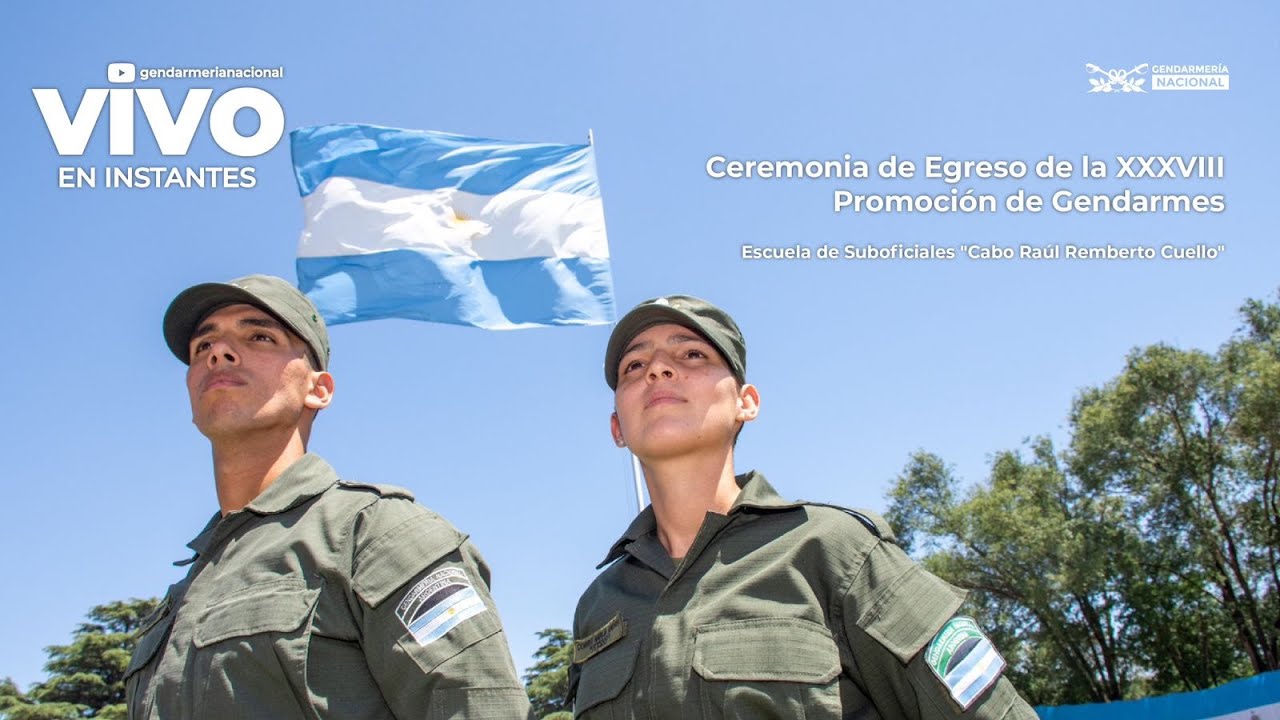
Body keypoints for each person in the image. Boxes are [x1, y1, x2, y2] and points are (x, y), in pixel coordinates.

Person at [569, 295, 1037, 719]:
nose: (657, 371)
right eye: (634, 366)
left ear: (746, 403)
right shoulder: (599, 605)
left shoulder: (838, 552)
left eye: (692, 354)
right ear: (617, 428)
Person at [124, 274, 532, 720]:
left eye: (259, 336)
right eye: (203, 347)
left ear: (318, 389)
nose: (218, 352)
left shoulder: (376, 534)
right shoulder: (185, 592)